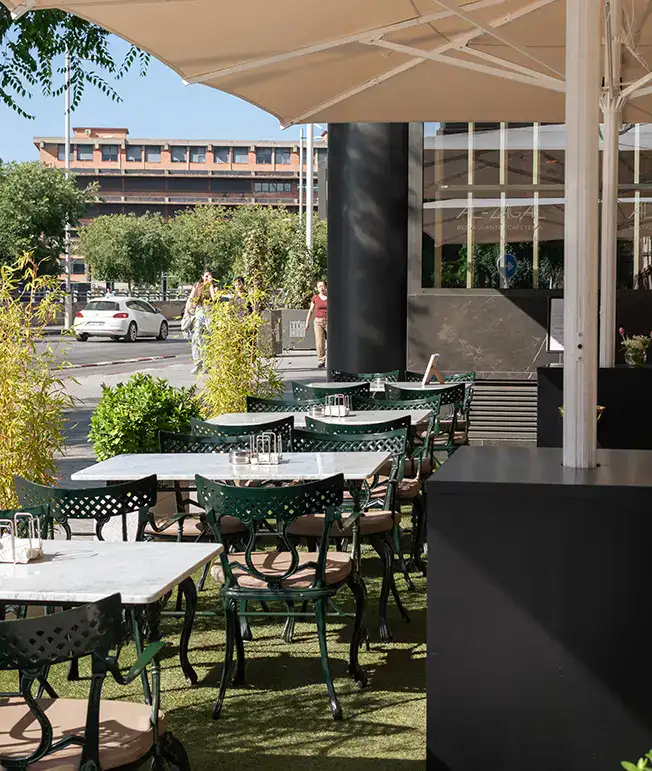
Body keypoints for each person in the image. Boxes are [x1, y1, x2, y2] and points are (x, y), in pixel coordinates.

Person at [185, 267, 216, 374]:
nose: (208, 278)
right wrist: (187, 310)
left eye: (209, 276)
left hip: (209, 313)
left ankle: (207, 364)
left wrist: (211, 285)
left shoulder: (213, 287)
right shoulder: (197, 286)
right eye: (206, 276)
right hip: (199, 311)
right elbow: (191, 298)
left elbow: (214, 299)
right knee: (196, 337)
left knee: (208, 339)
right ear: (202, 277)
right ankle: (198, 362)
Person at [306, 279, 328, 369]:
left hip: (328, 321)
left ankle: (335, 360)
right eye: (319, 286)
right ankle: (321, 360)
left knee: (332, 342)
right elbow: (311, 310)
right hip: (318, 321)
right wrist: (307, 322)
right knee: (319, 343)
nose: (321, 288)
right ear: (317, 288)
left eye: (323, 286)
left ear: (326, 287)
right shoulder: (315, 298)